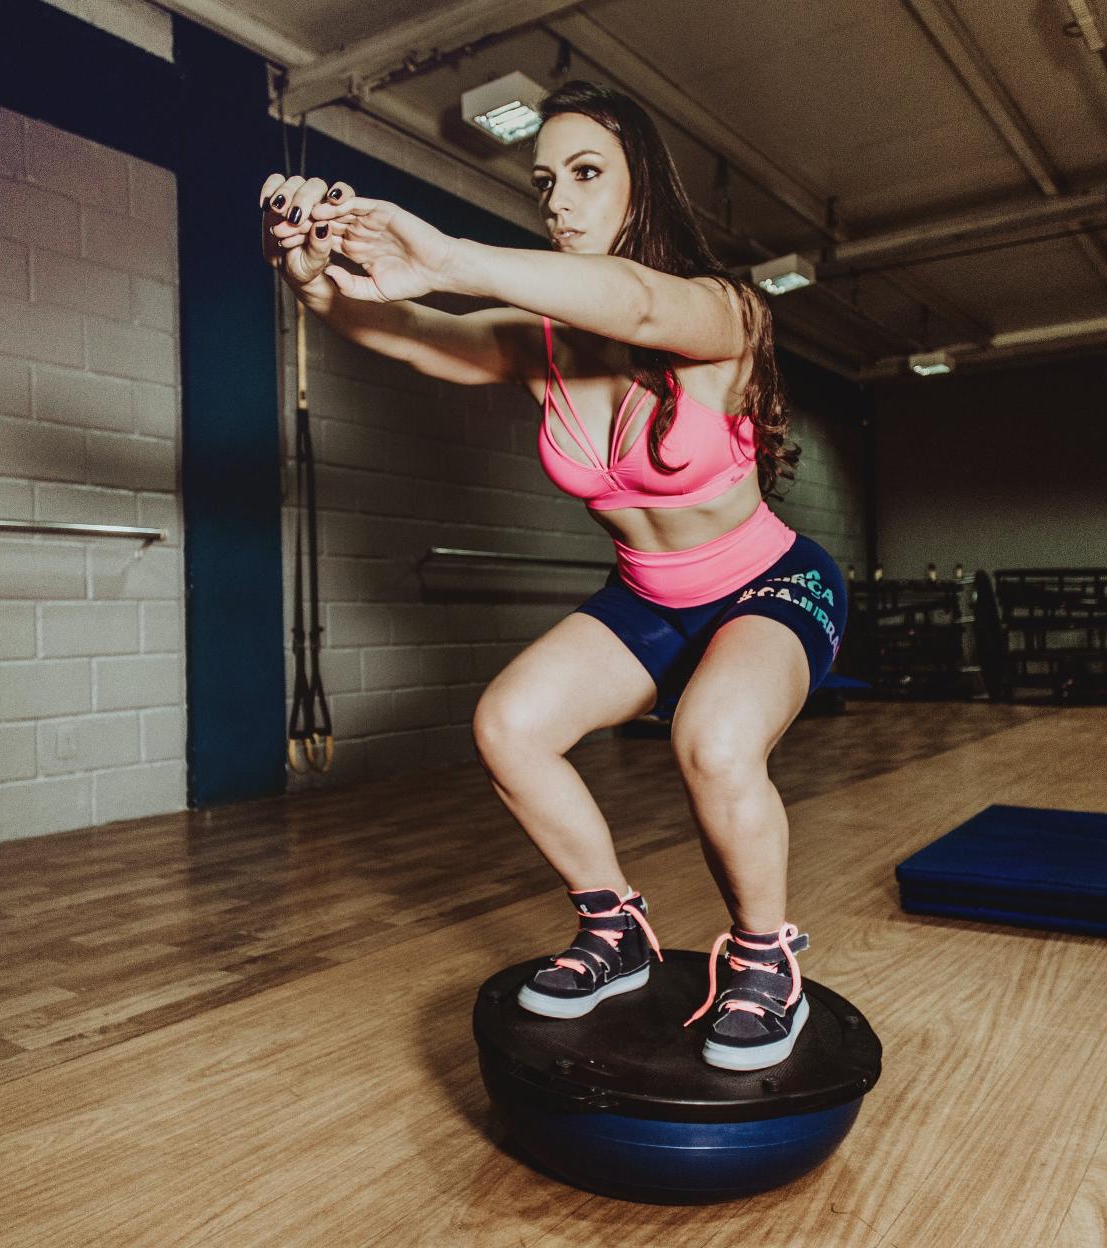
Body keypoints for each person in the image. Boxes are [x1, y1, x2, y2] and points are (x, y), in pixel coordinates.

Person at [259, 80, 847, 1073]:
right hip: (648, 595)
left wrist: (446, 257)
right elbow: (406, 332)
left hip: (771, 588)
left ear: (641, 189)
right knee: (509, 725)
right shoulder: (540, 342)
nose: (560, 200)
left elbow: (639, 300)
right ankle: (615, 928)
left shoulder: (722, 313)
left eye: (586, 175)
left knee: (712, 739)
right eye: (545, 183)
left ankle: (762, 955)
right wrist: (313, 281)